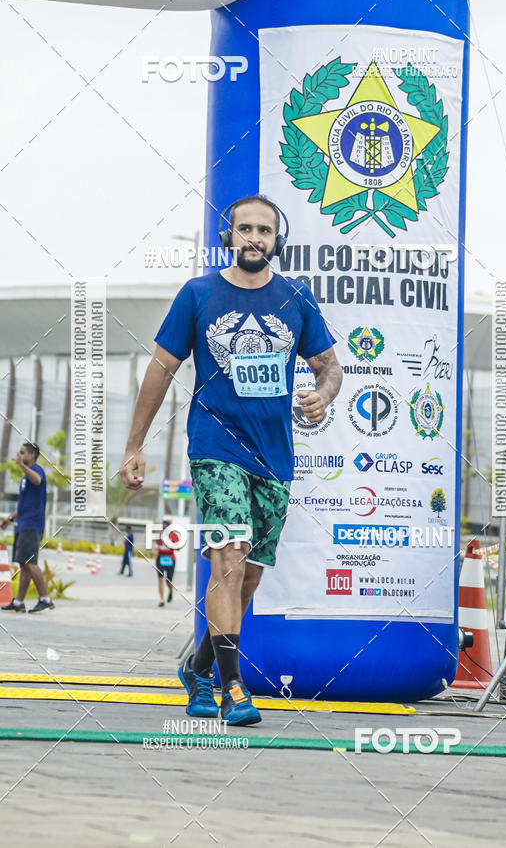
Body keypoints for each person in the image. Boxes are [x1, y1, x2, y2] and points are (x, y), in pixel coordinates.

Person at [120, 194, 342, 725]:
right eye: (245, 229)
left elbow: (329, 366)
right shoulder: (198, 294)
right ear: (228, 236)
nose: (254, 238)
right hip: (216, 448)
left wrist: (323, 394)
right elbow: (161, 369)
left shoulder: (296, 298)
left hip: (274, 457)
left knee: (247, 577)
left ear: (277, 240)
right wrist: (134, 445)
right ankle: (233, 688)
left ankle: (198, 669)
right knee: (228, 555)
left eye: (264, 230)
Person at [1, 441, 54, 612]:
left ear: (32, 455)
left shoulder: (36, 471)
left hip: (32, 524)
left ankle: (45, 598)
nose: (20, 455)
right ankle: (19, 602)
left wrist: (22, 466)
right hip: (22, 523)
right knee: (24, 564)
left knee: (30, 562)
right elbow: (24, 506)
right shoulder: (26, 477)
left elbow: (38, 480)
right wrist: (9, 518)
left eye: (23, 452)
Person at [154, 520, 176, 606]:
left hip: (170, 558)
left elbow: (178, 546)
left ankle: (170, 591)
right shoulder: (159, 535)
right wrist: (157, 547)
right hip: (160, 558)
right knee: (160, 578)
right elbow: (156, 545)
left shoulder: (173, 535)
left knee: (168, 580)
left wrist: (171, 545)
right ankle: (162, 599)